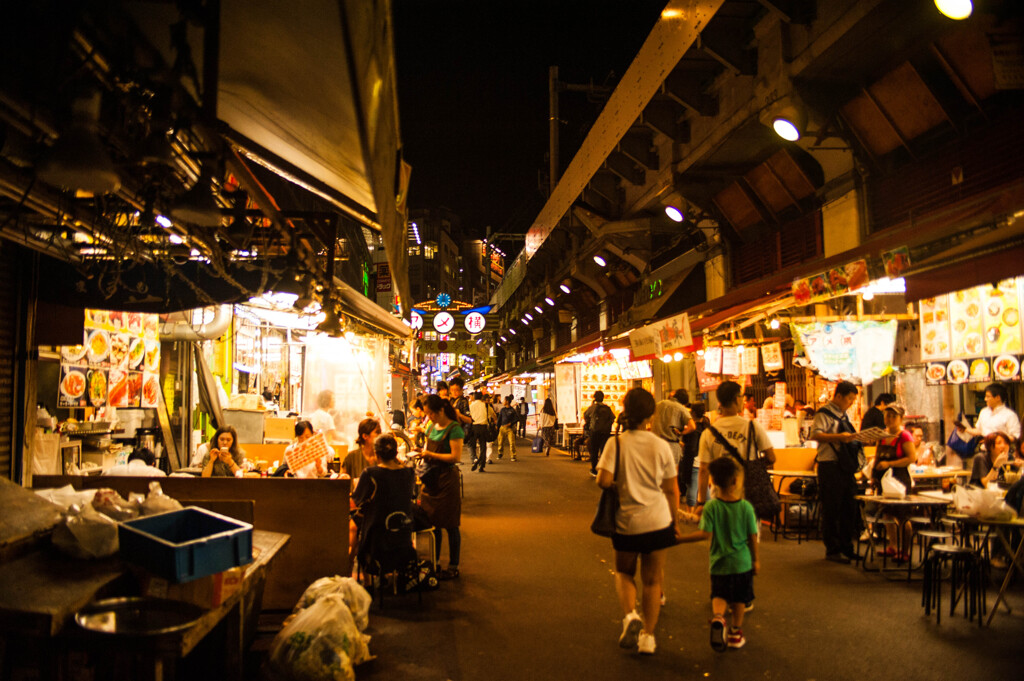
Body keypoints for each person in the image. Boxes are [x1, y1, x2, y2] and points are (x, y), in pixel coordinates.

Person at [595, 387, 681, 656]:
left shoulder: (616, 443)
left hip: (627, 522)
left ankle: (631, 615)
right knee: (653, 581)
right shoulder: (661, 445)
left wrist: (621, 482)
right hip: (658, 520)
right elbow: (672, 490)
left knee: (624, 572)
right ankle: (648, 638)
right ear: (651, 415)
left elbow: (604, 480)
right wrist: (674, 522)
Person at [678, 456, 759, 651]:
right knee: (739, 599)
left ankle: (718, 617)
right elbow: (752, 537)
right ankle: (735, 633)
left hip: (719, 563)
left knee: (719, 594)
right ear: (735, 481)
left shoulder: (711, 507)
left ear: (712, 482)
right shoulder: (746, 507)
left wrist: (679, 539)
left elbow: (705, 534)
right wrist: (755, 560)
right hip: (742, 563)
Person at [696, 381, 776, 507]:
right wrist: (753, 465)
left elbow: (703, 470)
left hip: (719, 500)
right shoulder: (752, 426)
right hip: (749, 497)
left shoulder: (708, 433)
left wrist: (700, 502)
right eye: (741, 397)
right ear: (735, 399)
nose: (743, 401)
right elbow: (771, 457)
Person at [350, 434, 418, 575]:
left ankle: (354, 573)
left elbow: (354, 502)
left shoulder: (370, 474)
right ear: (395, 453)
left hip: (377, 542)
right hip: (403, 539)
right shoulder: (408, 472)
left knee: (353, 526)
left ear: (376, 453)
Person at [812, 380, 863, 564]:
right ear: (839, 396)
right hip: (829, 466)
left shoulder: (844, 416)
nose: (850, 403)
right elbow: (815, 434)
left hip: (845, 467)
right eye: (849, 399)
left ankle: (847, 547)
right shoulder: (823, 413)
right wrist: (839, 437)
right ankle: (833, 549)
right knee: (832, 508)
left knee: (849, 507)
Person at [417, 394, 464, 579]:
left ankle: (453, 566)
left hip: (446, 480)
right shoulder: (430, 425)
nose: (430, 417)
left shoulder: (455, 428)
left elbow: (455, 457)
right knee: (432, 523)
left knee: (451, 525)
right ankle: (434, 563)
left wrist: (430, 454)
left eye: (431, 413)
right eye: (427, 414)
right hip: (431, 480)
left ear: (441, 410)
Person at [652, 388, 695, 490]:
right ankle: (672, 503)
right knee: (672, 477)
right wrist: (682, 432)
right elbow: (692, 426)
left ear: (673, 395)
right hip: (672, 445)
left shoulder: (659, 404)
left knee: (656, 475)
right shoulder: (681, 409)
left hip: (655, 444)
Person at [870, 405, 915, 493]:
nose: (890, 419)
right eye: (888, 416)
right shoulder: (881, 435)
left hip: (899, 481)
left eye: (894, 416)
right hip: (882, 480)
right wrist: (873, 476)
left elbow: (912, 458)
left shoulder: (904, 436)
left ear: (901, 419)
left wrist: (889, 464)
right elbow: (877, 457)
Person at [584, 391, 616, 478]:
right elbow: (613, 418)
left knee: (594, 451)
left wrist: (589, 423)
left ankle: (594, 469)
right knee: (603, 450)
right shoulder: (607, 408)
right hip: (605, 433)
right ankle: (603, 469)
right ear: (603, 398)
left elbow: (585, 414)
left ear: (595, 397)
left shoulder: (593, 407)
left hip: (595, 432)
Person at [467, 391, 491, 471]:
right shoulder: (486, 405)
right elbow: (493, 415)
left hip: (474, 427)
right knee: (483, 446)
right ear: (481, 398)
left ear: (474, 397)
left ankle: (475, 459)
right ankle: (481, 466)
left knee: (471, 445)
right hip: (483, 427)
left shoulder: (471, 405)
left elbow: (468, 416)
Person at [495, 395, 519, 461]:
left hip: (510, 428)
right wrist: (497, 426)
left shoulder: (512, 410)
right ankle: (500, 453)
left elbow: (517, 418)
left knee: (512, 442)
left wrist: (511, 423)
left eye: (504, 400)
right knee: (500, 442)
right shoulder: (502, 410)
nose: (503, 401)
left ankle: (513, 456)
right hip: (502, 427)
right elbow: (499, 418)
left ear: (507, 401)